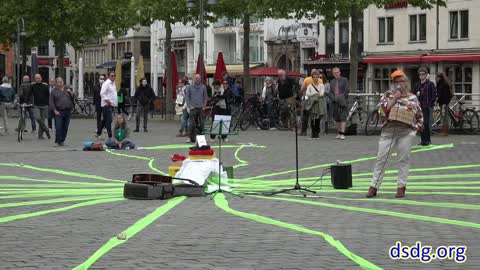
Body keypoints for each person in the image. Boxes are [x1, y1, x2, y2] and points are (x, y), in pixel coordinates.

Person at [366, 70, 423, 198]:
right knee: (382, 159)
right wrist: (395, 99)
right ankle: (374, 186)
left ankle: (401, 187)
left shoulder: (412, 97)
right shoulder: (388, 95)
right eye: (396, 82)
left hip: (406, 132)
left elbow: (419, 115)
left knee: (403, 159)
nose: (398, 84)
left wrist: (415, 129)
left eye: (401, 81)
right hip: (388, 131)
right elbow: (382, 111)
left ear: (406, 83)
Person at [414, 67, 436, 146]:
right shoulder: (417, 85)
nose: (421, 76)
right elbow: (413, 95)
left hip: (426, 107)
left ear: (426, 75)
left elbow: (433, 95)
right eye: (420, 74)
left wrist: (430, 104)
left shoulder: (430, 84)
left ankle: (428, 140)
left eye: (423, 74)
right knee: (421, 123)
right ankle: (423, 141)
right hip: (419, 107)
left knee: (426, 123)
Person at [49, 77, 74, 147]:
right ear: (56, 83)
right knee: (58, 127)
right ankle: (57, 141)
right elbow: (51, 102)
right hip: (59, 111)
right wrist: (54, 110)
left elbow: (73, 98)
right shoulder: (54, 91)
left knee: (65, 127)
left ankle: (62, 141)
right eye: (59, 81)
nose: (61, 82)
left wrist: (71, 93)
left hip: (68, 111)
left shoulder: (67, 89)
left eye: (61, 81)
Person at [185, 74, 208, 143]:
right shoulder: (189, 87)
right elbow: (187, 97)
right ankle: (189, 137)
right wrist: (189, 106)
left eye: (198, 78)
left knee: (202, 122)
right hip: (193, 108)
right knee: (191, 123)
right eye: (196, 78)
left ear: (200, 79)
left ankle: (203, 137)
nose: (197, 79)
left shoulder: (203, 87)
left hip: (201, 108)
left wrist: (204, 106)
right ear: (194, 79)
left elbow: (205, 97)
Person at [304, 70, 326, 139]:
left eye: (317, 77)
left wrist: (313, 94)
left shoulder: (322, 85)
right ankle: (313, 133)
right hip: (312, 104)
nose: (315, 78)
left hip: (319, 104)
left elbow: (322, 94)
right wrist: (315, 93)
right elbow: (307, 93)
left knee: (317, 119)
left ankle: (317, 133)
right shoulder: (310, 86)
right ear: (312, 78)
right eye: (314, 77)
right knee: (312, 119)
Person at [329, 67, 349, 140]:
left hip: (342, 101)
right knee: (337, 118)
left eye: (337, 72)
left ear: (340, 72)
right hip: (334, 102)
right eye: (334, 73)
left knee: (343, 117)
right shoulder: (332, 82)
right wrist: (333, 98)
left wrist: (340, 98)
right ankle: (338, 133)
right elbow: (330, 92)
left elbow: (346, 90)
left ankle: (343, 134)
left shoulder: (344, 80)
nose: (336, 74)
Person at [31, 74, 51, 140]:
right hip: (36, 105)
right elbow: (28, 93)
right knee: (38, 118)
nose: (38, 79)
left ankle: (40, 135)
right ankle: (46, 129)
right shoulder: (33, 85)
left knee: (42, 120)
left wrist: (48, 104)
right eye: (36, 78)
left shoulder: (45, 86)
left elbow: (48, 95)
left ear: (41, 78)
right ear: (35, 79)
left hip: (44, 105)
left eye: (39, 78)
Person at [98, 72, 117, 139]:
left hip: (111, 104)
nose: (113, 77)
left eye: (114, 76)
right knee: (109, 120)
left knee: (105, 120)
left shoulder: (113, 83)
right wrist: (107, 100)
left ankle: (98, 133)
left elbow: (113, 93)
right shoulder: (106, 83)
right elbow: (102, 93)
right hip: (106, 104)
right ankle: (110, 136)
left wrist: (114, 103)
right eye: (112, 76)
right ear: (109, 76)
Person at [300, 69, 318, 136]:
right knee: (314, 116)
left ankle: (304, 131)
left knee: (305, 116)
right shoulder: (320, 80)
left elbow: (302, 89)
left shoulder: (307, 79)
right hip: (316, 99)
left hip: (307, 99)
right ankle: (314, 132)